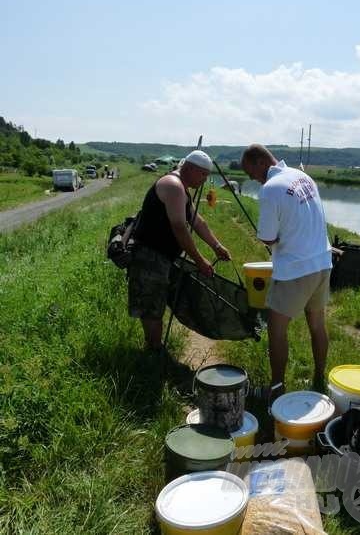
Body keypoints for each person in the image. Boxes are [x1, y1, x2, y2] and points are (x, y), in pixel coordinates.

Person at [241, 144, 332, 396]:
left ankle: (276, 388)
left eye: (252, 173)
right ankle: (318, 378)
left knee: (276, 329)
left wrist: (276, 237)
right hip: (323, 263)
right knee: (317, 325)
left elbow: (268, 238)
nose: (253, 179)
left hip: (295, 270)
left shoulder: (270, 190)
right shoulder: (303, 176)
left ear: (260, 162)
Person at [128, 150, 231, 351]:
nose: (204, 180)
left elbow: (196, 221)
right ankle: (154, 351)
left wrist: (216, 246)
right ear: (191, 169)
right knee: (151, 308)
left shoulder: (182, 188)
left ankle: (155, 347)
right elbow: (180, 227)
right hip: (150, 256)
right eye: (203, 174)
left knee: (157, 302)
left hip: (163, 256)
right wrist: (200, 261)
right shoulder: (173, 186)